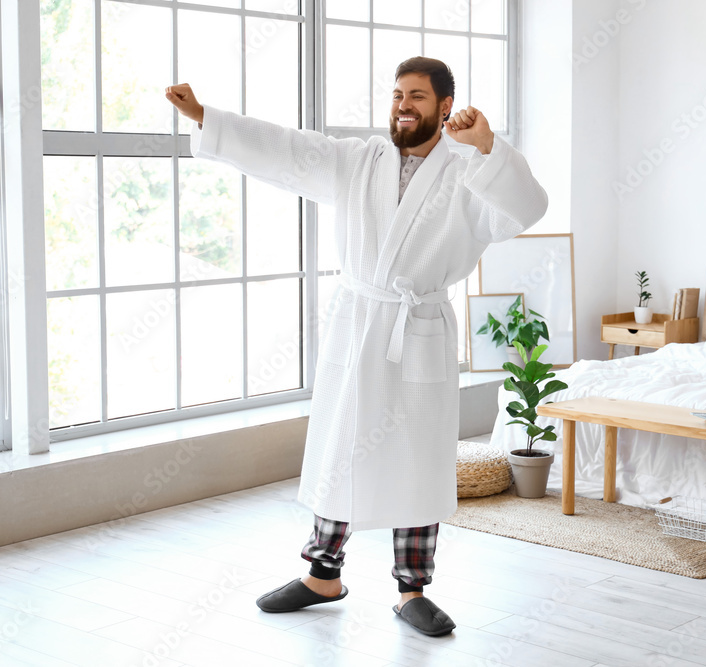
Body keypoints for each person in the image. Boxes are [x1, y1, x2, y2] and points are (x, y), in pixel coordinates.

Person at [166, 56, 547, 637]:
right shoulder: (359, 160)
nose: (403, 105)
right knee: (341, 446)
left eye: (417, 96)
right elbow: (286, 150)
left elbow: (526, 209)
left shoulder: (468, 169)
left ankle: (411, 589)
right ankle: (323, 575)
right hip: (358, 323)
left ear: (445, 106)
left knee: (416, 461)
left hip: (415, 326)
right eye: (397, 94)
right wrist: (206, 118)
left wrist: (489, 146)